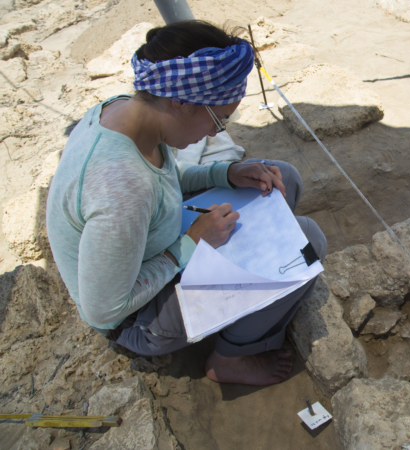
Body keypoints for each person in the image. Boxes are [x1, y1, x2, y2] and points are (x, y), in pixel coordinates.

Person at [46, 20, 326, 386]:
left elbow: (165, 177)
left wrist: (226, 173)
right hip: (139, 320)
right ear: (179, 101)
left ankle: (247, 280)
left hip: (150, 244)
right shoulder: (123, 187)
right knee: (307, 241)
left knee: (280, 176)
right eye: (218, 119)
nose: (216, 132)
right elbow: (106, 309)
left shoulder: (123, 111)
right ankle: (231, 357)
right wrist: (193, 242)